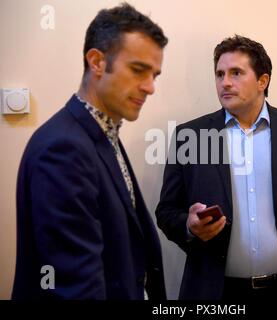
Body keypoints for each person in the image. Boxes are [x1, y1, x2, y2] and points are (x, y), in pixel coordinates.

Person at [156, 35, 277, 300]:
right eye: (219, 74)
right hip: (217, 292)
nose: (225, 82)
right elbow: (166, 212)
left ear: (262, 81)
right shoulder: (191, 136)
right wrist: (189, 226)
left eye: (236, 73)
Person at [12, 3, 168, 300]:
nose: (150, 87)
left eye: (155, 75)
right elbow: (76, 288)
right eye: (138, 70)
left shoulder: (100, 133)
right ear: (97, 62)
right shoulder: (63, 149)